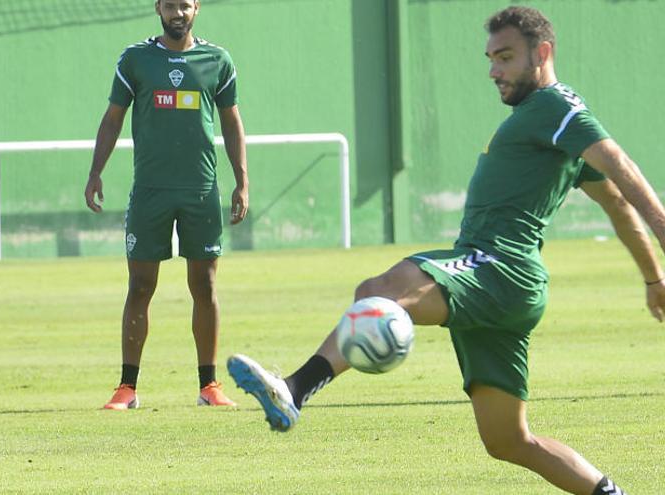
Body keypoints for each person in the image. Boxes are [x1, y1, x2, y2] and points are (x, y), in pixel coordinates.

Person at [228, 6, 663, 495]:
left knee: (378, 291)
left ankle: (295, 389)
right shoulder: (543, 123)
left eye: (506, 57)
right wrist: (653, 279)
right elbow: (618, 205)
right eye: (490, 58)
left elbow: (618, 162)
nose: (494, 70)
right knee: (508, 440)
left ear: (542, 53)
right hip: (509, 288)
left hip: (499, 265)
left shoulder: (556, 107)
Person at [84, 0, 248, 410]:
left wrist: (242, 181)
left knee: (205, 285)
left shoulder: (217, 60)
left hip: (200, 190)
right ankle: (127, 388)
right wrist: (95, 172)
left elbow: (231, 121)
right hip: (151, 192)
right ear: (158, 8)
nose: (179, 13)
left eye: (186, 5)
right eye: (171, 5)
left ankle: (209, 386)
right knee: (140, 286)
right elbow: (112, 118)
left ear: (197, 9)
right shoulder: (136, 59)